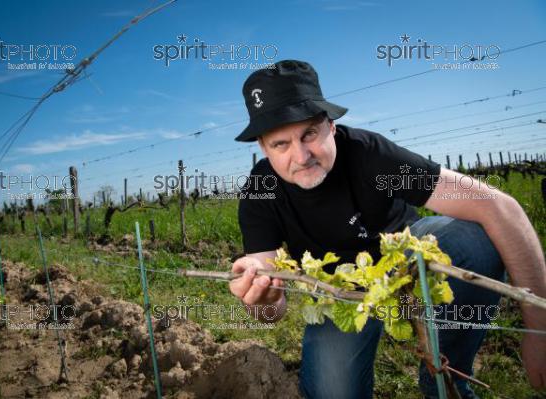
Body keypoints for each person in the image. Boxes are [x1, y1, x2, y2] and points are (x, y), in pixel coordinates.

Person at [228, 60, 546, 398]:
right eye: (281, 144)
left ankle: (444, 373)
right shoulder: (262, 191)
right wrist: (263, 298)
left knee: (475, 239)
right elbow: (271, 312)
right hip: (340, 293)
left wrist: (539, 329)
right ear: (263, 147)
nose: (302, 155)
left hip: (407, 267)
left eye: (309, 134)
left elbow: (497, 206)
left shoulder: (369, 155)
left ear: (330, 126)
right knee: (333, 392)